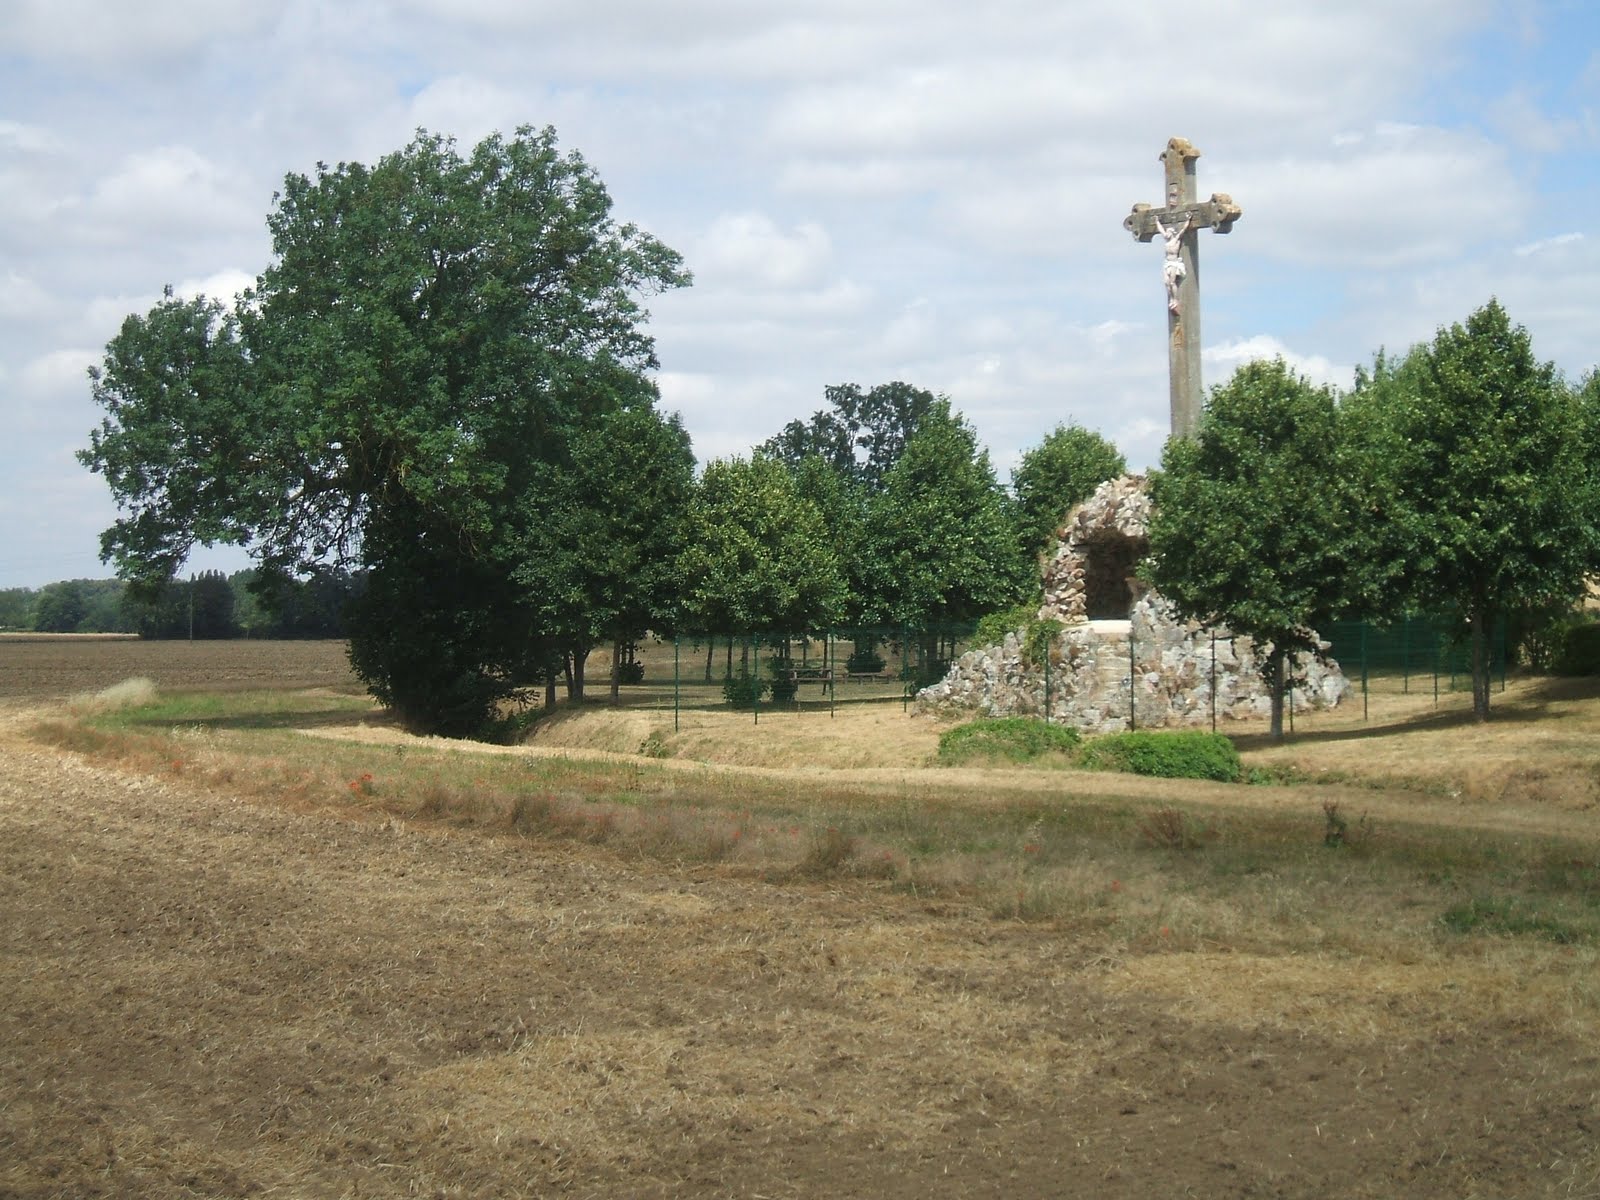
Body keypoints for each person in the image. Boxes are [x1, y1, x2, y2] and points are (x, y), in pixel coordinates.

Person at [1156, 213, 1190, 314]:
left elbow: (1183, 230)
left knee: (1172, 282)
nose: (1166, 233)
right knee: (1166, 283)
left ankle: (1175, 299)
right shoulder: (1166, 241)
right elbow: (1160, 230)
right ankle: (1171, 299)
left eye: (1168, 232)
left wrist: (1188, 220)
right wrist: (1157, 221)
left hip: (1174, 263)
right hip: (1167, 263)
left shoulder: (1176, 240)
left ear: (1171, 233)